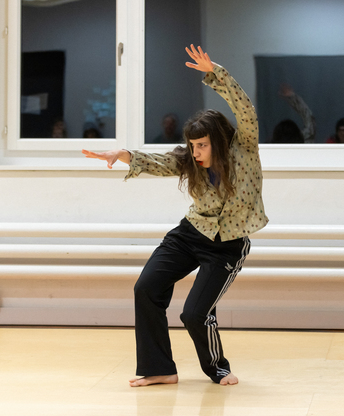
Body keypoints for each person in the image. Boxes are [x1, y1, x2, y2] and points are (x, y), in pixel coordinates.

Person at [82, 45, 268, 387]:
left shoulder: (244, 150)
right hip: (189, 234)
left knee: (194, 314)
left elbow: (245, 109)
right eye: (192, 145)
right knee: (146, 288)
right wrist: (124, 154)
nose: (195, 152)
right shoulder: (190, 161)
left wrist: (216, 73)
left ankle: (218, 368)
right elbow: (159, 162)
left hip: (226, 245)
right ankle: (159, 368)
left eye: (202, 145)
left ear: (218, 142)